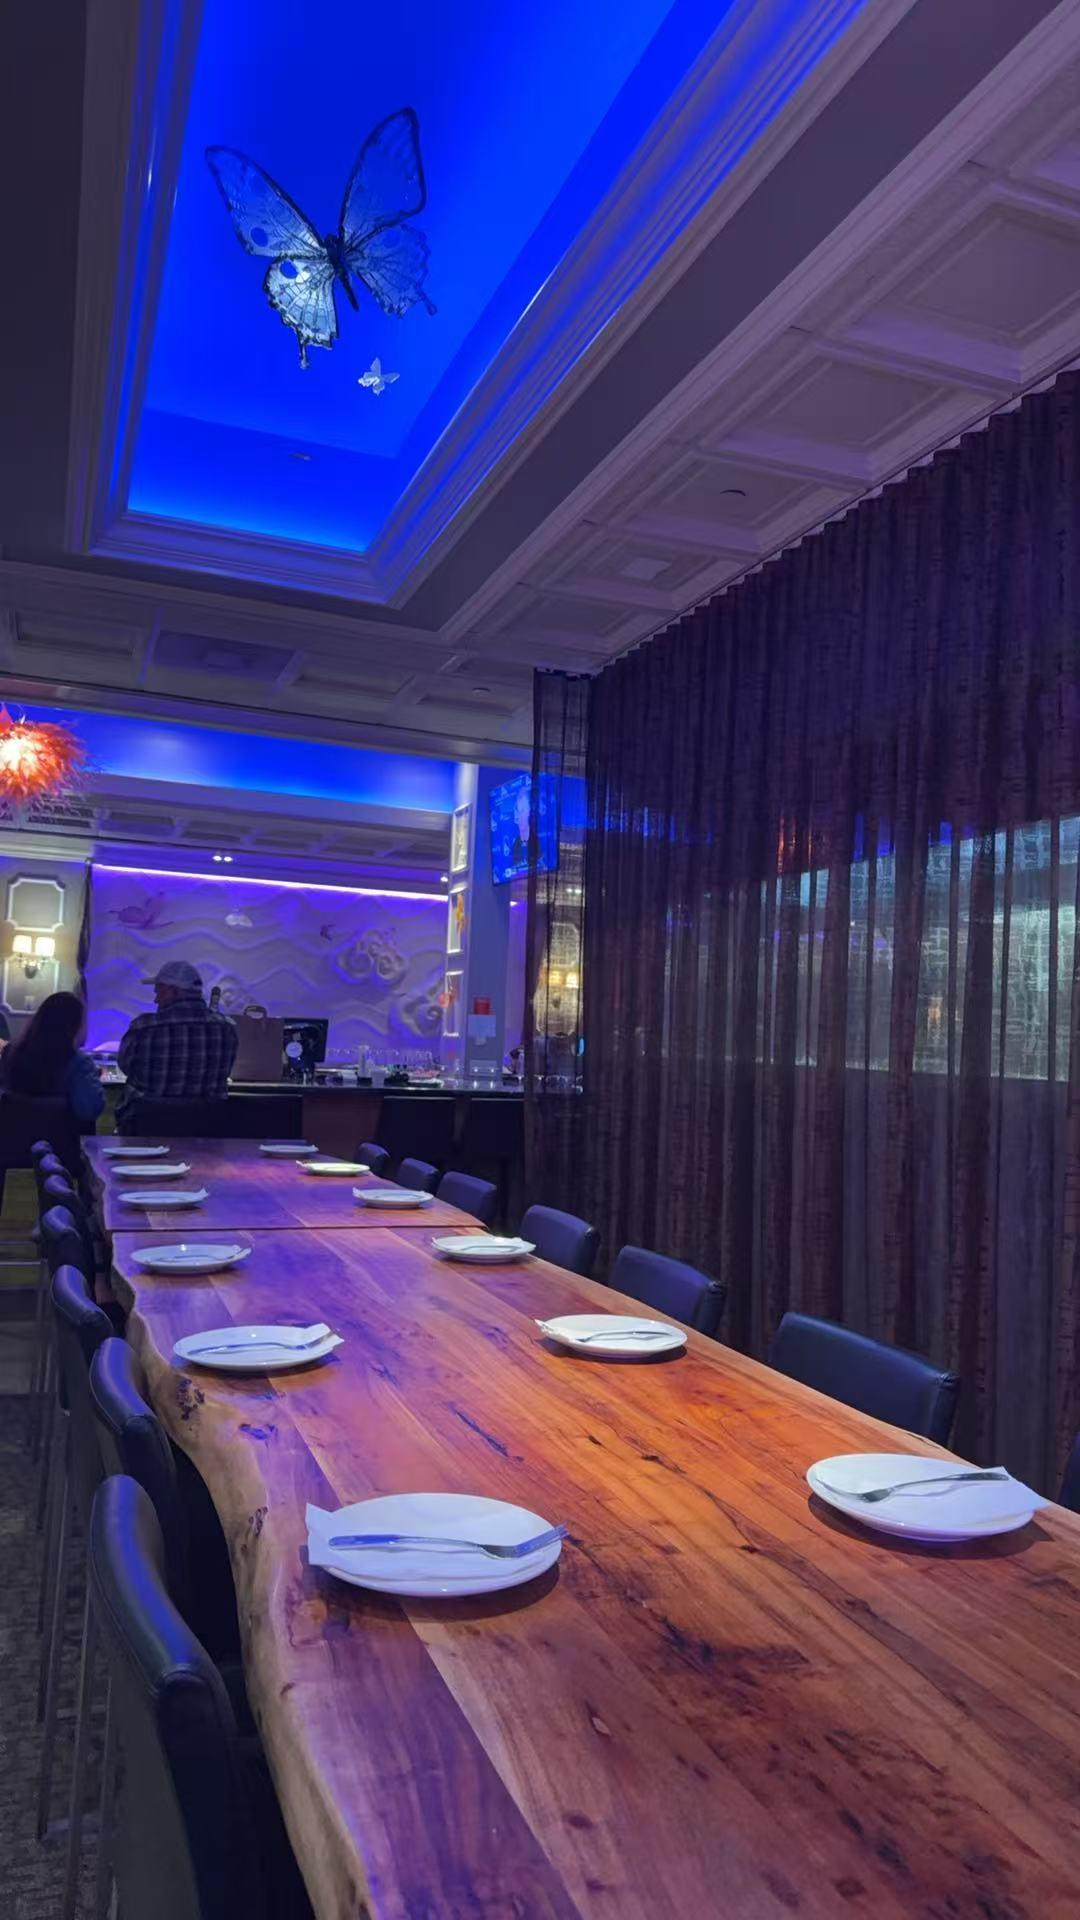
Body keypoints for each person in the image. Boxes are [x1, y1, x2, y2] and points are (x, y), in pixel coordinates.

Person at [116, 960, 237, 1128]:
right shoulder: (227, 1028)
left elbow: (126, 1066)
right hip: (207, 1130)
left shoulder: (143, 1027)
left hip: (147, 1127)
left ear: (172, 991)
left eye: (158, 992)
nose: (156, 999)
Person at [0, 990, 105, 1130]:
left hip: (12, 1141)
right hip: (62, 1145)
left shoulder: (12, 1053)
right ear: (74, 1026)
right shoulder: (79, 1064)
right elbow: (89, 1110)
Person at [510, 783, 532, 870]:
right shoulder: (515, 846)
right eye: (518, 812)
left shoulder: (538, 843)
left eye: (523, 810)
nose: (520, 817)